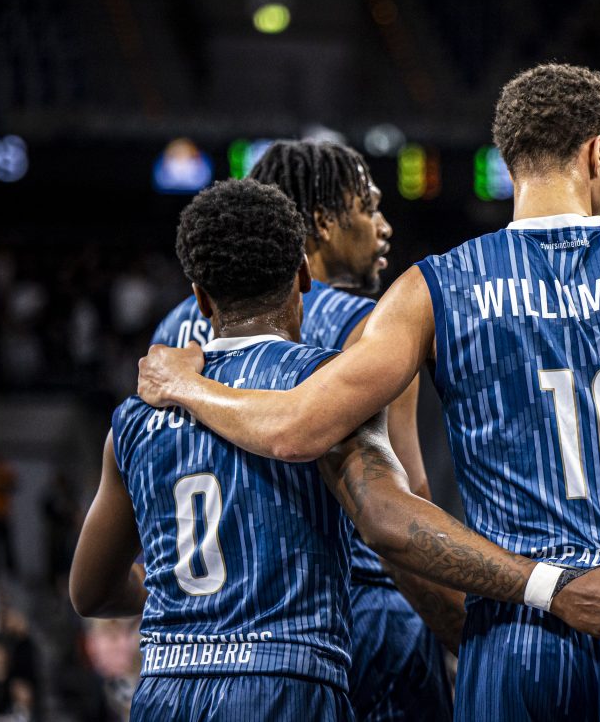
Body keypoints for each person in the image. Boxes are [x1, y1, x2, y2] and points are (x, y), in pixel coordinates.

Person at [135, 64, 600, 720]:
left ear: (510, 162)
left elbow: (295, 429)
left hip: (515, 631)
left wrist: (187, 384)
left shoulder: (435, 288)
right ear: (599, 153)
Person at [72, 178, 600, 721]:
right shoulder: (322, 387)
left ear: (201, 299)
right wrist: (548, 586)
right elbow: (386, 520)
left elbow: (90, 591)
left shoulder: (135, 418)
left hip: (165, 688)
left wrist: (189, 602)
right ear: (302, 277)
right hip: (286, 684)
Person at [149, 140, 460, 720]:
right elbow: (404, 509)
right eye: (369, 207)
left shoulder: (170, 339)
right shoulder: (372, 328)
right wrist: (463, 631)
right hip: (351, 614)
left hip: (196, 633)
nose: (384, 227)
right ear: (320, 223)